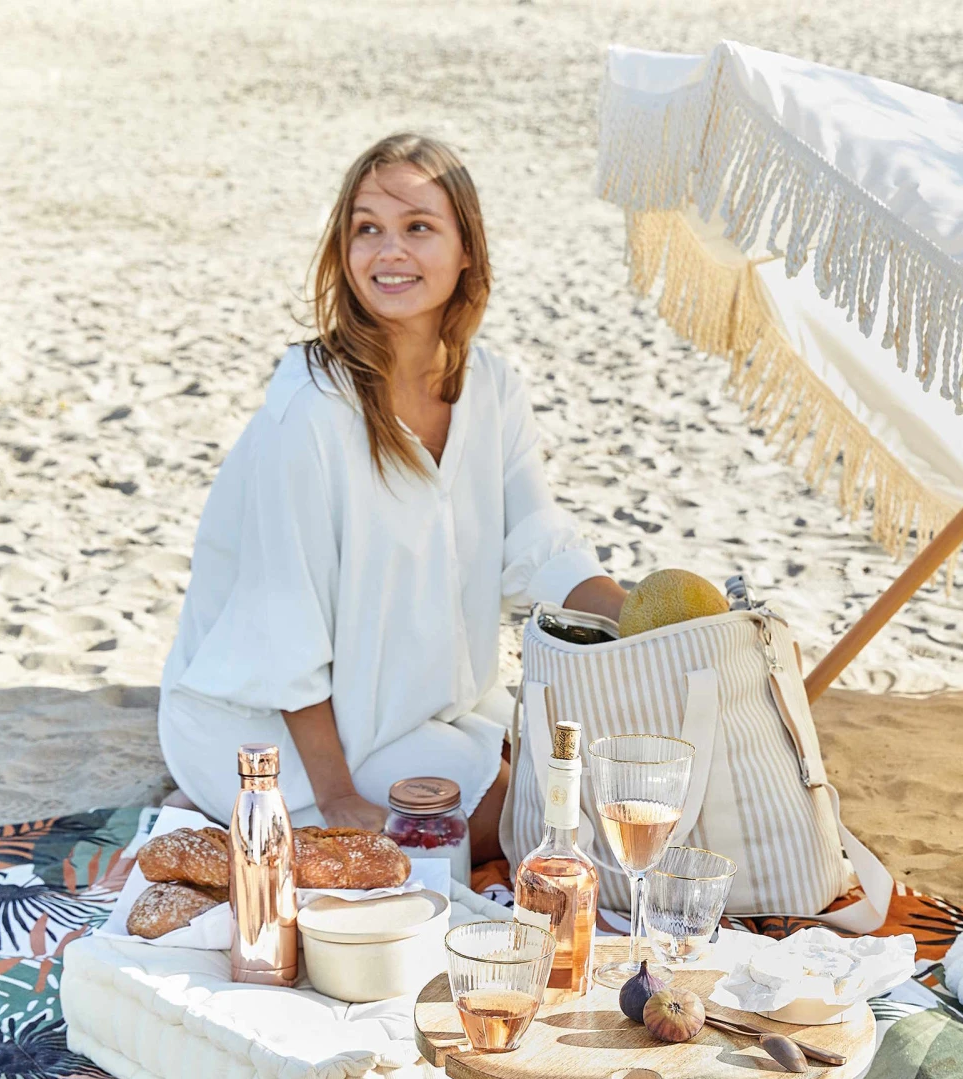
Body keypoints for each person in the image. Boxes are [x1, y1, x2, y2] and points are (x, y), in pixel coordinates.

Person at [158, 134, 623, 862]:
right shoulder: (312, 407)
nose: (389, 251)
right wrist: (337, 797)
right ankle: (215, 801)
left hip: (414, 703)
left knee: (582, 781)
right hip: (278, 733)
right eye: (367, 228)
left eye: (418, 227)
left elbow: (537, 544)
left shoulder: (493, 386)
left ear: (466, 249)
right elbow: (283, 619)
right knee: (526, 819)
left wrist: (648, 618)